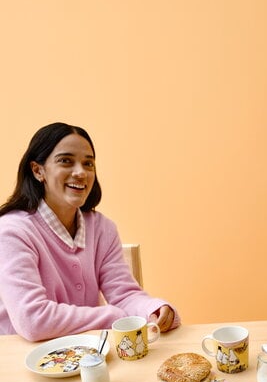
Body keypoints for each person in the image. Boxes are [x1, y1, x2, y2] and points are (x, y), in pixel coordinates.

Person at [0, 122, 180, 341]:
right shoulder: (12, 232)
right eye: (66, 161)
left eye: (88, 164)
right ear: (38, 171)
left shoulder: (103, 228)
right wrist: (114, 316)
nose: (80, 173)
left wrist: (153, 309)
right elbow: (33, 320)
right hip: (18, 362)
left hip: (85, 355)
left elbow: (123, 294)